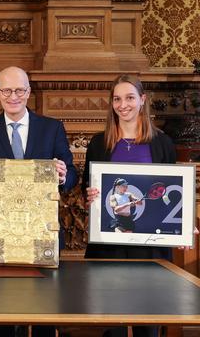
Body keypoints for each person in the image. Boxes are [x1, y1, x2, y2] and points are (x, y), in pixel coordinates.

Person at [0, 66, 77, 337]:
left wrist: (62, 175)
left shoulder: (52, 128)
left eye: (19, 90)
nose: (12, 96)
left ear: (28, 92)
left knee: (44, 312)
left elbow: (73, 175)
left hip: (42, 236)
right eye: (6, 90)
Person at [83, 74, 179, 337]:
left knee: (148, 322)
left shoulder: (162, 143)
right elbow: (87, 190)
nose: (122, 104)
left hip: (149, 248)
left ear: (142, 100)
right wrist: (90, 194)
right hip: (110, 245)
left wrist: (182, 224)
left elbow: (171, 192)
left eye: (129, 97)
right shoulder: (98, 143)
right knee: (112, 321)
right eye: (116, 98)